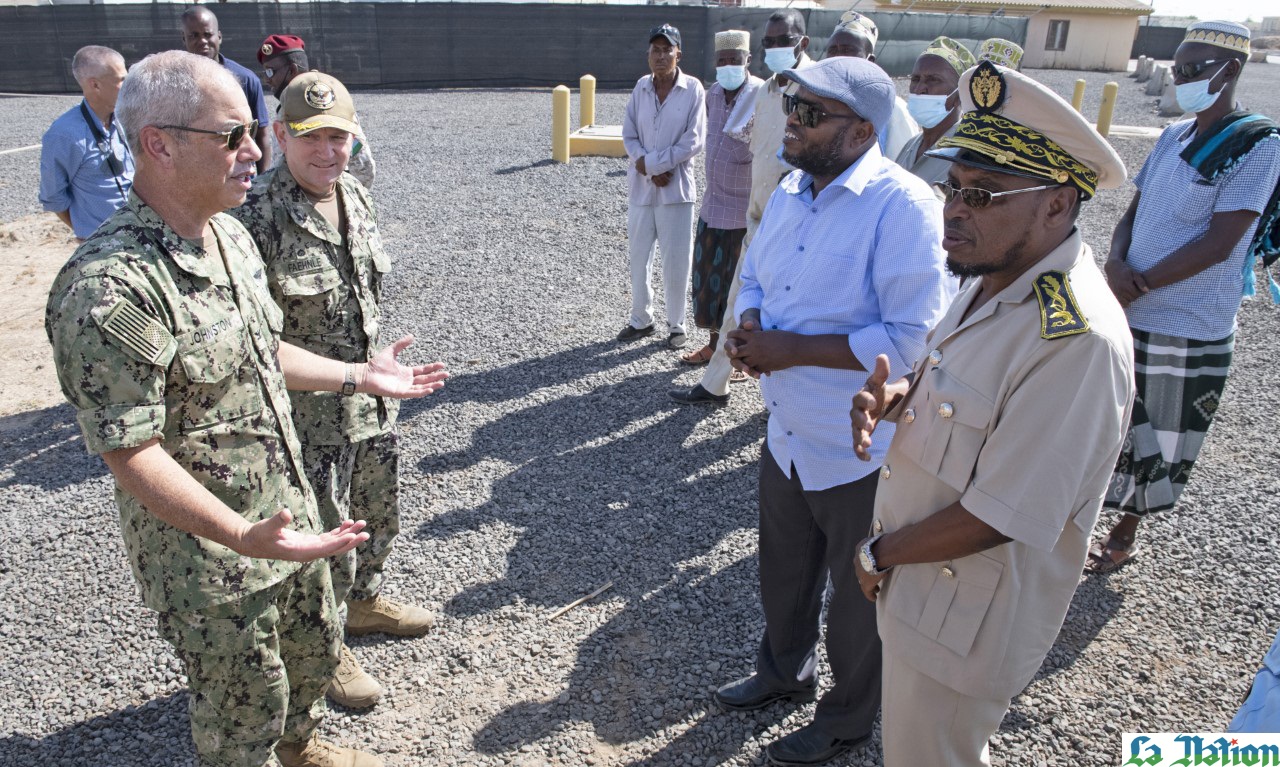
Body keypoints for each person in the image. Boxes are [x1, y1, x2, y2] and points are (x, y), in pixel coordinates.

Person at [44, 51, 448, 767]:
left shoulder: (229, 235)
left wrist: (358, 374)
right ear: (158, 144)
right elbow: (129, 450)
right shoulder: (110, 288)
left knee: (310, 655)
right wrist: (240, 532)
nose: (255, 151)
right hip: (213, 556)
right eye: (231, 136)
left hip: (287, 516)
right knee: (243, 707)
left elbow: (265, 351)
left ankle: (303, 746)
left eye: (250, 132)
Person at [849, 60, 1134, 766]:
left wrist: (876, 553)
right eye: (953, 188)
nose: (955, 209)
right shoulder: (994, 274)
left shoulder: (1076, 341)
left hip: (961, 621)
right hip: (924, 589)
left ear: (1058, 205)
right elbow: (960, 381)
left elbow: (1003, 512)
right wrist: (897, 397)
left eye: (983, 193)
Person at [713, 56, 954, 766]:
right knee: (784, 569)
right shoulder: (792, 187)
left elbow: (914, 337)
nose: (792, 119)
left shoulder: (903, 206)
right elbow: (755, 269)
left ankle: (847, 717)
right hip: (787, 429)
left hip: (860, 447)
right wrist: (752, 327)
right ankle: (783, 670)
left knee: (858, 597)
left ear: (860, 131)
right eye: (795, 105)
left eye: (811, 113)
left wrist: (791, 348)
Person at [233, 71, 428, 712]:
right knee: (322, 541)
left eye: (340, 137)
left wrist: (375, 364)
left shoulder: (354, 196)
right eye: (312, 137)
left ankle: (365, 602)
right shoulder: (254, 218)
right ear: (280, 134)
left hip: (370, 401)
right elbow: (255, 348)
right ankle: (327, 646)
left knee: (377, 517)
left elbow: (360, 294)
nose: (328, 152)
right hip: (302, 420)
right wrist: (352, 374)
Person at [1089, 21, 1280, 573]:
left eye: (1194, 70)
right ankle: (1080, 516)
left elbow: (1221, 242)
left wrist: (1140, 282)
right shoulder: (1174, 136)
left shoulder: (1257, 146)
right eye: (1179, 69)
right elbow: (1133, 212)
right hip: (1128, 305)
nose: (1183, 79)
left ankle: (1125, 531)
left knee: (1162, 434)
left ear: (1231, 71)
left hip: (1189, 322)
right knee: (1109, 421)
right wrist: (1114, 262)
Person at [669, 10, 809, 406]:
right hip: (757, 213)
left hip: (798, 220)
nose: (776, 48)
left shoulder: (813, 90)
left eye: (785, 40)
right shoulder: (767, 94)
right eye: (771, 42)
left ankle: (783, 403)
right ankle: (716, 382)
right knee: (736, 297)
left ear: (804, 43)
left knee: (788, 307)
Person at [619, 24, 707, 350]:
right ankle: (641, 319)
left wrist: (654, 164)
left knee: (676, 260)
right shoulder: (641, 88)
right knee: (639, 257)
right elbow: (628, 134)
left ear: (678, 53)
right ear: (648, 54)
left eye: (666, 49)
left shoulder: (693, 89)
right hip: (642, 189)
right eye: (655, 49)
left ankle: (677, 324)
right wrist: (646, 163)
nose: (660, 55)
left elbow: (694, 140)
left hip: (676, 190)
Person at [680, 30, 762, 367]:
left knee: (737, 289)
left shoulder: (761, 95)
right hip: (713, 207)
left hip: (743, 213)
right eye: (722, 60)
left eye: (734, 60)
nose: (728, 65)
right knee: (706, 285)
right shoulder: (713, 93)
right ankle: (714, 346)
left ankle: (737, 357)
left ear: (747, 61)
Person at [39, 45, 134, 241]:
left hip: (142, 236)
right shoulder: (65, 135)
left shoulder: (125, 118)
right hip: (104, 246)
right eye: (121, 80)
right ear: (95, 85)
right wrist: (91, 236)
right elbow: (54, 199)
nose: (128, 86)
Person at [258, 34, 376, 188]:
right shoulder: (292, 103)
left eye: (270, 72)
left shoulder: (326, 103)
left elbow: (363, 166)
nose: (267, 79)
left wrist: (345, 197)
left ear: (292, 70)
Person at [181, 5, 271, 174]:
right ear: (184, 39)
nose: (202, 41)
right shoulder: (175, 84)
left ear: (219, 36)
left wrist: (262, 183)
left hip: (239, 174)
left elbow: (262, 135)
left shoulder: (246, 80)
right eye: (194, 35)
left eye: (208, 34)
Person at [822, 11, 920, 165]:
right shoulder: (818, 100)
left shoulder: (894, 110)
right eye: (833, 50)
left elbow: (901, 167)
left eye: (848, 50)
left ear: (870, 61)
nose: (838, 58)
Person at [894, 37, 975, 184]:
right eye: (915, 79)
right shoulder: (912, 145)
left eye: (933, 80)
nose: (919, 89)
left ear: (960, 94)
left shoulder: (965, 152)